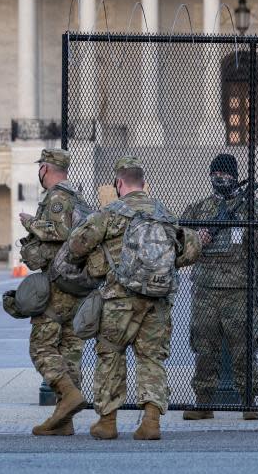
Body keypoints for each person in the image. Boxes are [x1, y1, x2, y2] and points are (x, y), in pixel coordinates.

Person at [66, 156, 200, 440]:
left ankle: (107, 422)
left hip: (119, 300)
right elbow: (186, 253)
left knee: (111, 355)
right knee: (152, 358)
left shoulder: (111, 213)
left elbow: (77, 244)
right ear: (144, 184)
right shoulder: (164, 213)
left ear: (119, 183)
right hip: (158, 300)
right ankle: (151, 422)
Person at [179, 153, 258, 421]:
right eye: (216, 174)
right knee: (204, 347)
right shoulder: (198, 210)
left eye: (225, 174)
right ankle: (203, 402)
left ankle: (248, 400)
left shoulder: (252, 208)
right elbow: (176, 239)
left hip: (239, 289)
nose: (220, 179)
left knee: (243, 347)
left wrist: (248, 230)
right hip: (205, 290)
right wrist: (195, 238)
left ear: (235, 177)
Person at [16, 148, 94, 436]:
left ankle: (67, 396)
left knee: (41, 347)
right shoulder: (78, 198)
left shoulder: (58, 198)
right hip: (77, 285)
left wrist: (30, 223)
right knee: (70, 351)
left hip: (56, 285)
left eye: (41, 167)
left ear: (46, 169)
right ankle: (64, 420)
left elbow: (60, 232)